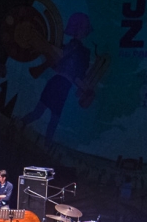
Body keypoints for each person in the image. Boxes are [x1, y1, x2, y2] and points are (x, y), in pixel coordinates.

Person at [20, 12, 94, 143]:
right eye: (82, 27)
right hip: (58, 83)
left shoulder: (82, 52)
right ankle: (19, 125)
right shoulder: (74, 47)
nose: (83, 30)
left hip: (63, 86)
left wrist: (86, 90)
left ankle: (45, 144)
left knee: (52, 118)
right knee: (41, 114)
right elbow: (61, 56)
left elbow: (76, 76)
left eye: (84, 27)